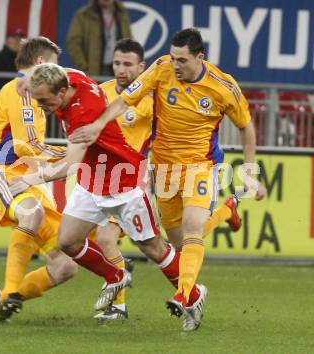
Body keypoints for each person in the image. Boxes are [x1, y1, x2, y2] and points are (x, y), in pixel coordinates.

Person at [68, 28, 267, 328]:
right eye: (173, 58)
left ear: (200, 57)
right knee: (179, 244)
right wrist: (98, 125)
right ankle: (226, 211)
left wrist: (250, 173)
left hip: (200, 166)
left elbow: (247, 127)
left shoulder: (223, 86)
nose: (175, 65)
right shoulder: (161, 68)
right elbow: (125, 100)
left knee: (193, 228)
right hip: (162, 169)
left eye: (182, 60)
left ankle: (185, 294)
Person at [10, 63, 207, 331]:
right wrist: (27, 78)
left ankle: (193, 296)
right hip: (93, 182)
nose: (40, 105)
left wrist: (28, 180)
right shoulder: (73, 79)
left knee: (153, 248)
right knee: (67, 241)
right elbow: (58, 68)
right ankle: (116, 275)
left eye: (43, 100)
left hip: (124, 183)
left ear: (62, 92)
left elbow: (69, 166)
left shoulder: (83, 114)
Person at [0, 37, 77, 323]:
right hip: (5, 175)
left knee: (65, 267)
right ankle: (9, 291)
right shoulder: (21, 91)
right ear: (39, 64)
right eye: (53, 66)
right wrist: (76, 150)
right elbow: (28, 145)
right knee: (31, 213)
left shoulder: (20, 94)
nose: (56, 74)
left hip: (30, 181)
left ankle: (4, 300)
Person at [92, 38, 152, 320]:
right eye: (117, 63)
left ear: (142, 67)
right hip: (100, 178)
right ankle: (121, 266)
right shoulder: (100, 92)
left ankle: (119, 306)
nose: (121, 69)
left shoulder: (150, 100)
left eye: (128, 64)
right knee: (74, 240)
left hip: (131, 179)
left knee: (105, 238)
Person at [66, 0, 132, 76]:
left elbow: (128, 39)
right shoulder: (84, 15)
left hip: (119, 68)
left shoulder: (122, 13)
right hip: (94, 70)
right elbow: (73, 42)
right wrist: (84, 66)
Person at [0, 28, 26, 101]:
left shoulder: (25, 61)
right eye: (14, 37)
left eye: (20, 38)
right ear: (6, 40)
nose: (17, 41)